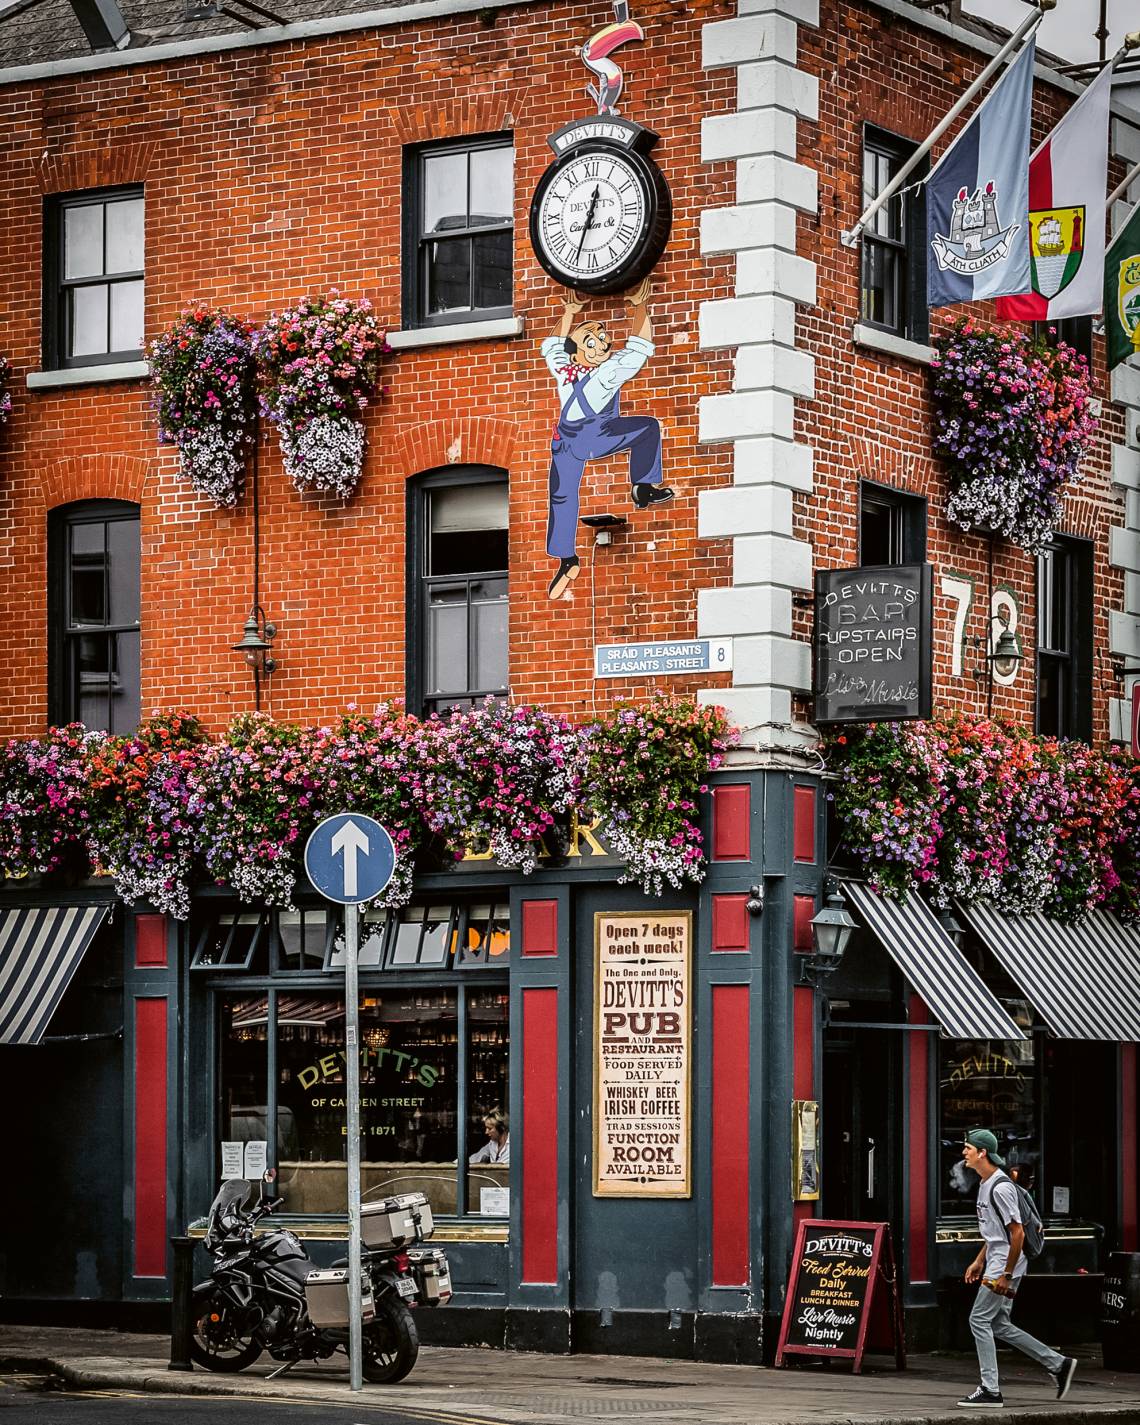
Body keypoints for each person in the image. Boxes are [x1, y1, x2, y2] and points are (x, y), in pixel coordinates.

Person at [541, 278, 673, 601]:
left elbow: (553, 345)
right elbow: (639, 350)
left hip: (565, 441)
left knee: (562, 497)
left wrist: (570, 314)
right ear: (579, 354)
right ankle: (642, 485)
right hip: (591, 438)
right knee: (647, 429)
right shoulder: (604, 374)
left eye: (601, 337)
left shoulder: (565, 370)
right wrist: (640, 306)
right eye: (592, 340)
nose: (602, 342)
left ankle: (565, 557)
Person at [957, 1128, 1076, 1409]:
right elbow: (996, 1233)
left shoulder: (1001, 1187)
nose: (964, 1153)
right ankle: (1058, 1364)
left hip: (1005, 1266)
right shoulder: (986, 1183)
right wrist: (978, 1259)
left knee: (979, 1320)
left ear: (982, 1152)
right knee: (998, 1324)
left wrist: (1006, 1275)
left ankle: (990, 1389)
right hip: (997, 1261)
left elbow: (1017, 1233)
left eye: (968, 1148)